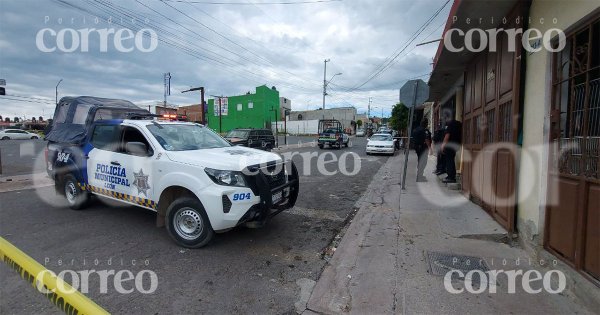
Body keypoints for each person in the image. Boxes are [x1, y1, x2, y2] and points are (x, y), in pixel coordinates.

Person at [441, 114, 462, 184]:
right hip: (456, 144)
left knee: (449, 161)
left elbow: (447, 135)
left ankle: (451, 177)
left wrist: (443, 146)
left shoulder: (450, 124)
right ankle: (451, 176)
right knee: (451, 160)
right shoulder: (459, 124)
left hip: (449, 145)